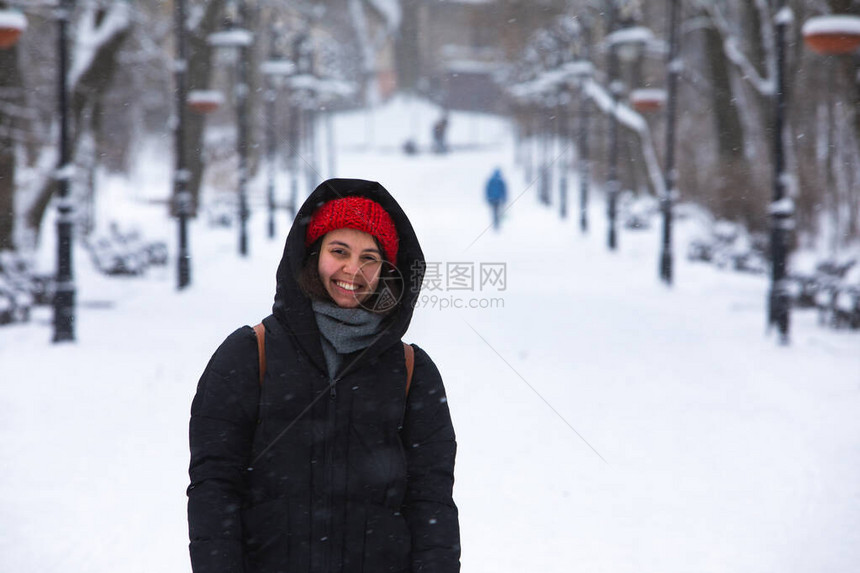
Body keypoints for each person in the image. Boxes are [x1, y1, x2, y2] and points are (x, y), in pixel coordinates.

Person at [187, 179, 460, 573]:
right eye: (339, 251)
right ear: (313, 253)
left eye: (370, 257)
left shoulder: (413, 373)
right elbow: (214, 487)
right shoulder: (249, 355)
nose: (353, 269)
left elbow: (431, 502)